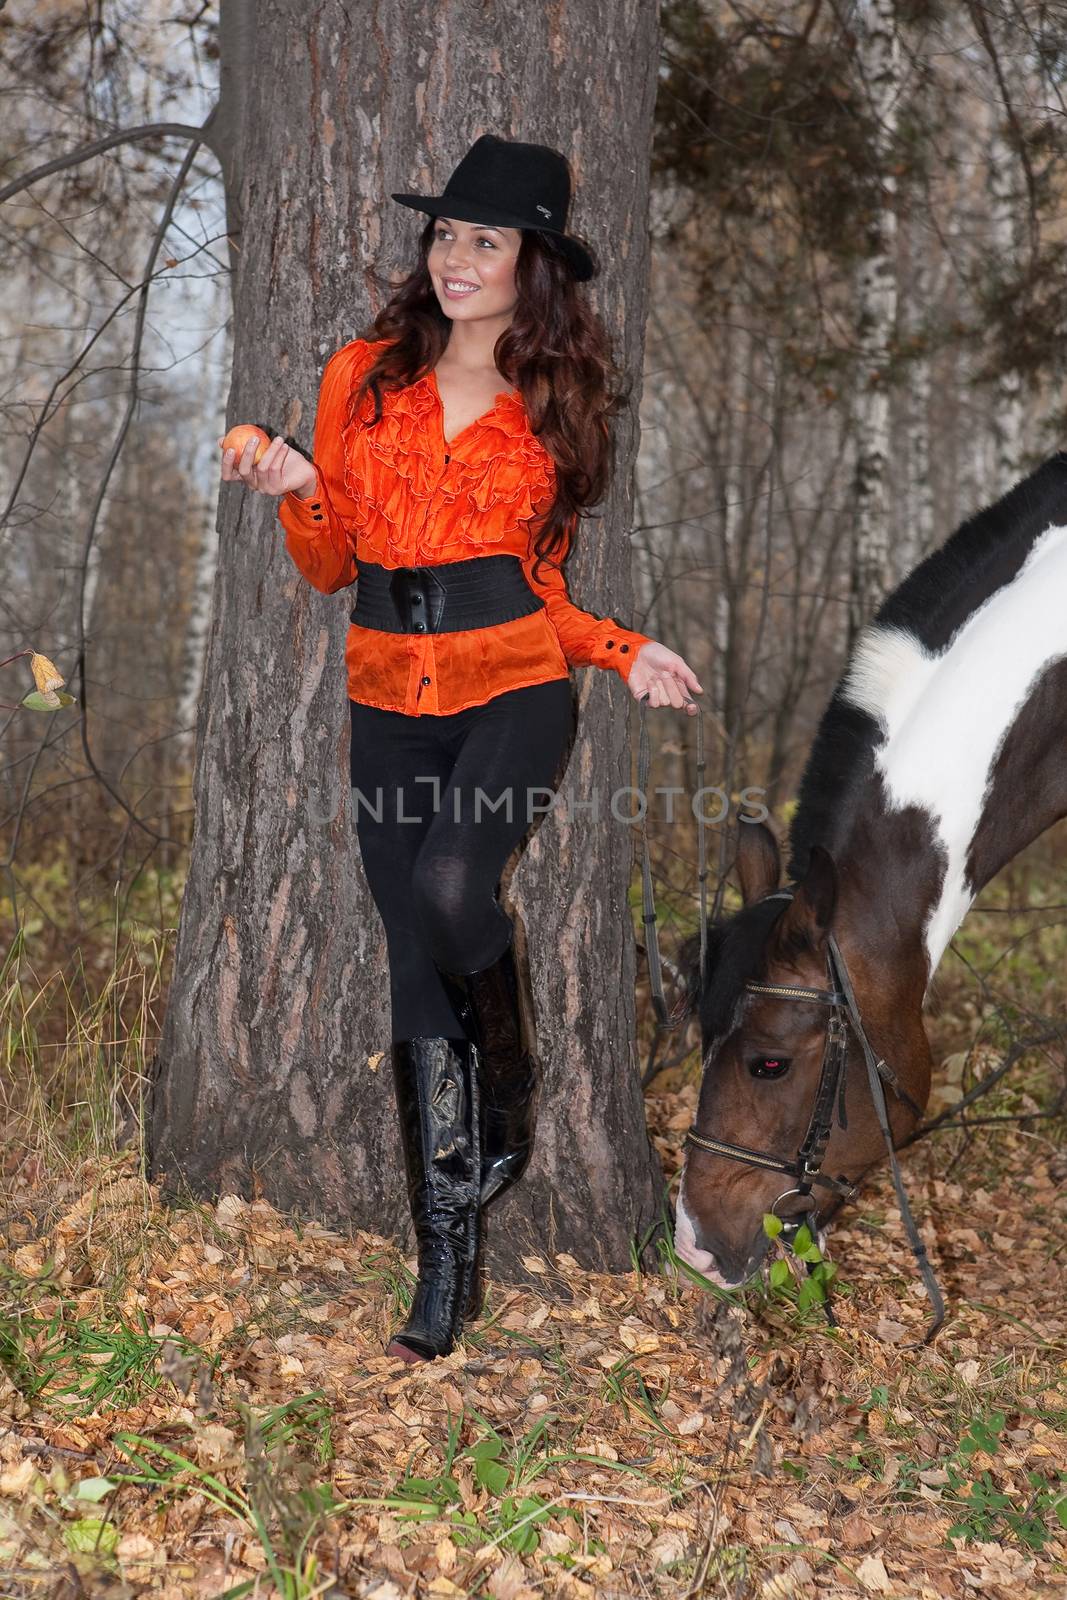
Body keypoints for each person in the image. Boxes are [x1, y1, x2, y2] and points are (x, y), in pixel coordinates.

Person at [218, 134, 703, 1364]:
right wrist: (291, 479)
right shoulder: (361, 378)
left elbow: (537, 585)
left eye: (485, 240)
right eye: (445, 235)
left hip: (513, 685)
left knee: (448, 888)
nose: (456, 258)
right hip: (384, 687)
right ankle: (447, 1251)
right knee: (408, 957)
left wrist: (620, 650)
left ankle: (515, 1070)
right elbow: (332, 565)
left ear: (531, 262)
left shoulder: (555, 400)